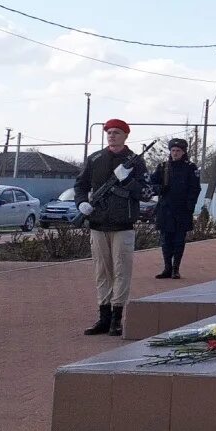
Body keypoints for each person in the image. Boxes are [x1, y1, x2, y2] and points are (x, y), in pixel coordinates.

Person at [75, 118, 146, 336]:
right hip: (98, 223)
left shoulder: (134, 162)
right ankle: (103, 318)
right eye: (109, 132)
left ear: (125, 136)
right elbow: (81, 185)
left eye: (116, 132)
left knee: (121, 270)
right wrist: (81, 203)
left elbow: (145, 192)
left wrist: (127, 181)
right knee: (102, 271)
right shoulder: (95, 158)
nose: (111, 136)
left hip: (123, 224)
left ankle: (117, 318)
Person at [149, 138, 201, 279]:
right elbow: (151, 184)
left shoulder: (190, 168)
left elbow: (195, 188)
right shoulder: (163, 167)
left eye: (178, 151)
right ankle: (167, 268)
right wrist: (159, 189)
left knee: (179, 241)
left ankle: (176, 268)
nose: (175, 153)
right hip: (165, 209)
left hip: (182, 210)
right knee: (166, 241)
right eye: (173, 150)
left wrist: (190, 206)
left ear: (183, 152)